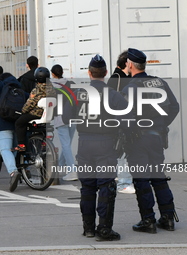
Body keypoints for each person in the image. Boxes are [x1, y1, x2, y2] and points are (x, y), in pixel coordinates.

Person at [63, 54, 132, 241]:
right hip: (106, 144)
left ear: (89, 73)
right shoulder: (114, 95)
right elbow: (128, 120)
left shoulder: (78, 93)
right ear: (106, 73)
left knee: (87, 186)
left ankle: (88, 228)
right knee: (106, 186)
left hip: (84, 143)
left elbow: (65, 118)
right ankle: (104, 228)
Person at [122, 48, 180, 233]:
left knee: (141, 180)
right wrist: (161, 125)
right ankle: (168, 218)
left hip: (138, 140)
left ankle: (148, 220)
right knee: (159, 178)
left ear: (130, 64)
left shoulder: (130, 88)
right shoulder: (159, 82)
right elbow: (174, 106)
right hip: (156, 138)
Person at [106, 51, 135, 194]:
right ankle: (123, 183)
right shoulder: (116, 78)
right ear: (126, 63)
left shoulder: (124, 77)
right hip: (119, 120)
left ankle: (123, 180)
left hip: (124, 119)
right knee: (122, 151)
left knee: (123, 150)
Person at [15, 67, 56, 152]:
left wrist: (23, 111)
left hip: (36, 114)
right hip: (48, 114)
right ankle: (44, 143)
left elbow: (30, 104)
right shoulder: (52, 88)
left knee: (19, 123)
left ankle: (21, 144)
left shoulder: (37, 90)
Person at [50, 64, 77, 181]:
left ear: (53, 74)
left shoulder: (50, 86)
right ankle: (61, 165)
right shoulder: (71, 84)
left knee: (66, 145)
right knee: (67, 144)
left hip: (60, 118)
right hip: (72, 117)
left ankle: (72, 171)